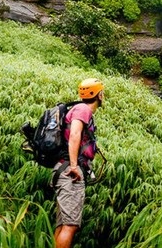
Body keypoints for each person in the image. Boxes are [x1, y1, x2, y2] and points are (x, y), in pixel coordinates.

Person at [54, 78, 104, 248]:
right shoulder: (83, 109)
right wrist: (74, 166)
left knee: (63, 225)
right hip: (70, 171)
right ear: (99, 94)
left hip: (64, 169)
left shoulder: (80, 109)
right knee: (70, 225)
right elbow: (75, 134)